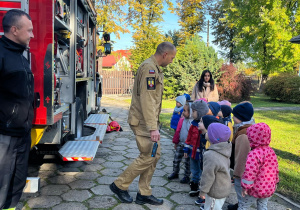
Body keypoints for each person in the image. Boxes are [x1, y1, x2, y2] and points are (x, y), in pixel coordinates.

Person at [110, 42, 176, 205]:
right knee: (149, 155)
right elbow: (147, 100)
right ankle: (119, 185)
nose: (172, 61)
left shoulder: (154, 67)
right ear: (165, 55)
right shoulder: (149, 68)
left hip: (147, 121)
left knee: (154, 155)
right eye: (172, 58)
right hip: (143, 122)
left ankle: (144, 193)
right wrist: (153, 128)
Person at [0, 9, 34, 210]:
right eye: (29, 31)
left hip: (22, 133)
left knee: (17, 182)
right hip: (4, 135)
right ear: (14, 29)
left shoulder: (21, 55)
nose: (32, 35)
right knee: (1, 184)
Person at [239, 123, 279, 210]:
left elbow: (250, 172)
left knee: (243, 206)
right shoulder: (271, 152)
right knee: (262, 206)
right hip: (268, 187)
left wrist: (245, 187)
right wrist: (276, 182)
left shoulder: (254, 154)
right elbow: (275, 169)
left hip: (254, 189)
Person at [228, 102, 255, 210]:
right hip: (244, 171)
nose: (233, 117)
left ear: (241, 117)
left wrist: (237, 174)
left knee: (240, 190)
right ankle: (240, 204)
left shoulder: (243, 134)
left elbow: (242, 157)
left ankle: (242, 205)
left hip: (242, 172)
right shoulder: (244, 128)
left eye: (235, 115)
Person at [198, 123, 232, 210]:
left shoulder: (211, 155)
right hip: (222, 187)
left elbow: (208, 175)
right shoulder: (225, 149)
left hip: (215, 191)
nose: (206, 133)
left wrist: (203, 191)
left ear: (213, 137)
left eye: (208, 132)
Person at [195, 115, 223, 205]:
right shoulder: (203, 136)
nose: (199, 123)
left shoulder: (210, 141)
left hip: (209, 166)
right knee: (203, 178)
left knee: (209, 180)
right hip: (203, 163)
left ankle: (206, 199)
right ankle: (203, 194)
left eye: (201, 122)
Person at [183, 100, 209, 197]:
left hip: (201, 154)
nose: (192, 113)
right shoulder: (193, 124)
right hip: (192, 153)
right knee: (194, 170)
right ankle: (194, 187)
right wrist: (186, 149)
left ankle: (202, 189)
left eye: (193, 111)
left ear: (200, 112)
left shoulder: (205, 125)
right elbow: (189, 138)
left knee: (202, 171)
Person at [168, 101, 193, 184]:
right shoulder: (181, 120)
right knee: (176, 159)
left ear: (191, 112)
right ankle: (175, 172)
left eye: (185, 110)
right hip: (181, 144)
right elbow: (177, 132)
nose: (183, 112)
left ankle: (187, 176)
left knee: (187, 162)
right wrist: (175, 142)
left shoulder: (193, 123)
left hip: (189, 146)